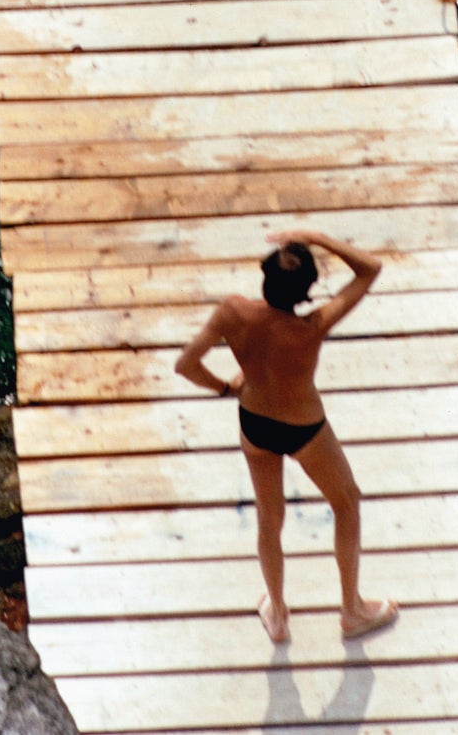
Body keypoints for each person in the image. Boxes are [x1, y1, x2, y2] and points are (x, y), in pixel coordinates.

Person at [175, 230, 399, 646]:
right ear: (307, 290)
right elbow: (370, 269)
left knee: (269, 518)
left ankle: (277, 613)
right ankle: (352, 609)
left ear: (264, 278)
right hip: (304, 429)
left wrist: (226, 388)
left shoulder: (232, 312)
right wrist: (315, 236)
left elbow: (185, 364)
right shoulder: (314, 325)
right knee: (346, 502)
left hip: (255, 422)